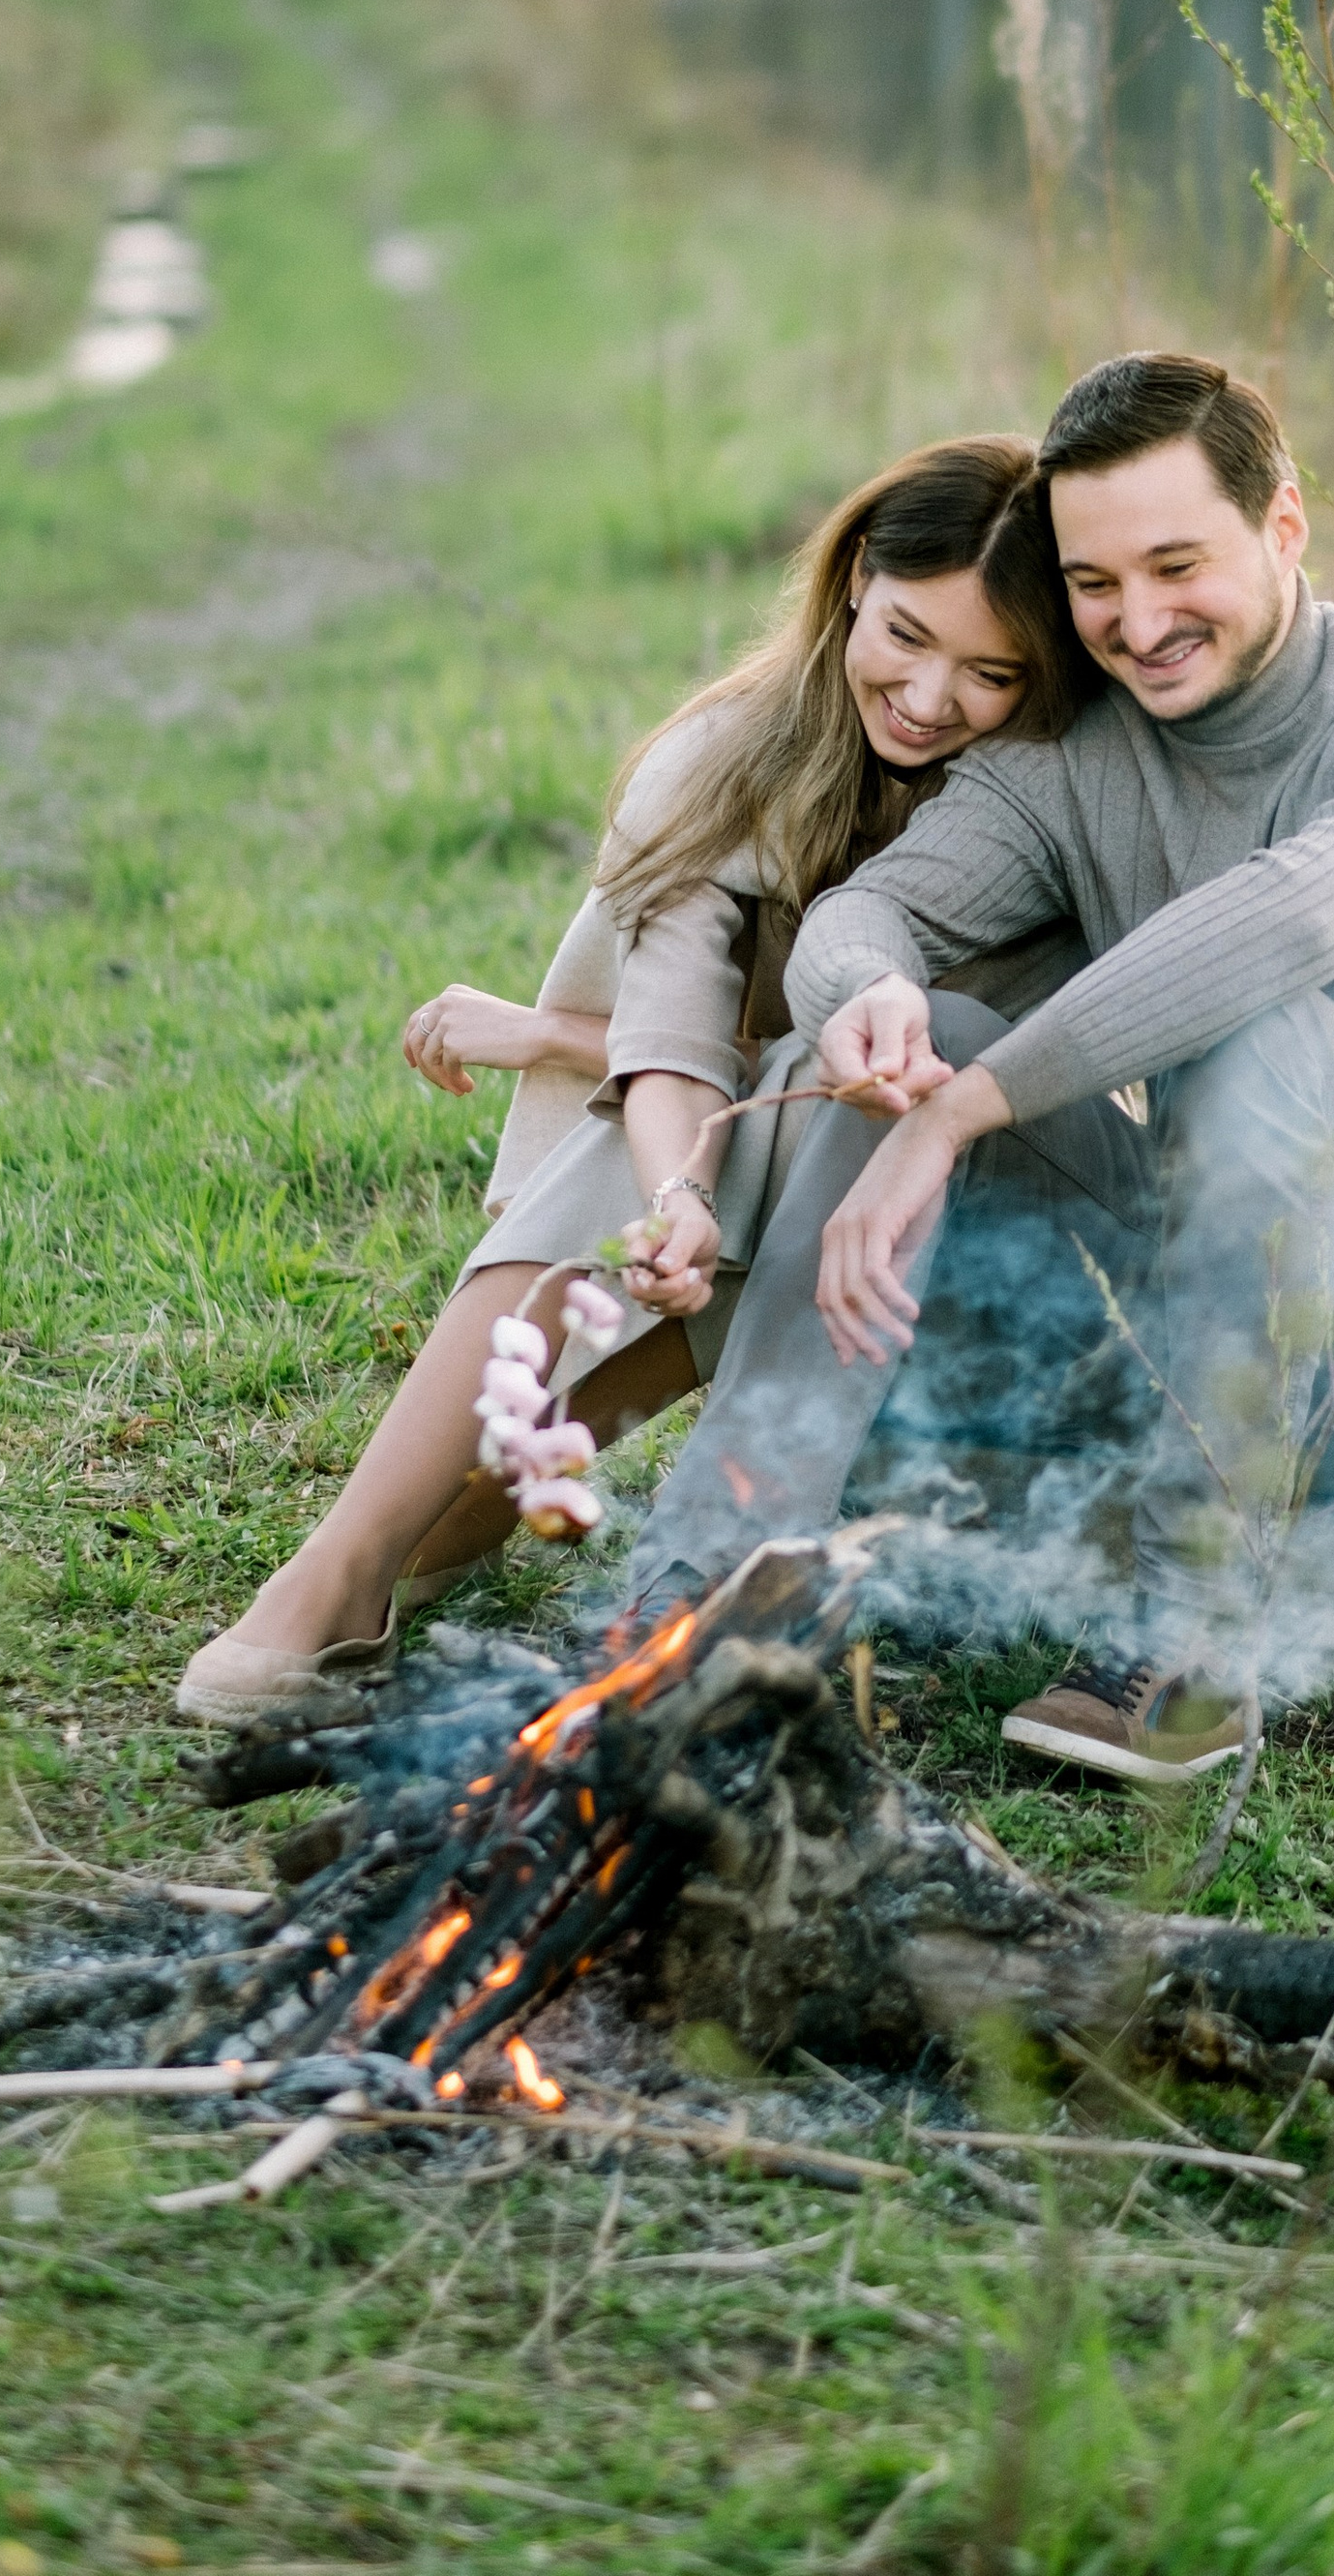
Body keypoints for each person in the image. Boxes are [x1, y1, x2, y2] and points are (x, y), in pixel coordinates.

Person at [622, 348, 1334, 1782]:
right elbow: (869, 910)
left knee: (1254, 1031)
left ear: (1283, 528)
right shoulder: (1081, 749)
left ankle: (1194, 1636)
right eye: (1095, 586)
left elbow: (1282, 922)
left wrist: (965, 1113)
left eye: (1178, 566)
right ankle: (704, 1598)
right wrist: (874, 1004)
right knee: (916, 1046)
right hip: (1199, 1298)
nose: (1139, 625)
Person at [172, 434, 1093, 1722]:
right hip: (749, 1171)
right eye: (904, 634)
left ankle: (352, 1574)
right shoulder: (725, 759)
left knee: (845, 1094)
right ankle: (349, 1566)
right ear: (849, 587)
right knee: (463, 1511)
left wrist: (568, 1049)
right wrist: (678, 1200)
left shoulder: (1043, 799)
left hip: (965, 1234)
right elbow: (671, 1031)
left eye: (990, 671)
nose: (932, 696)